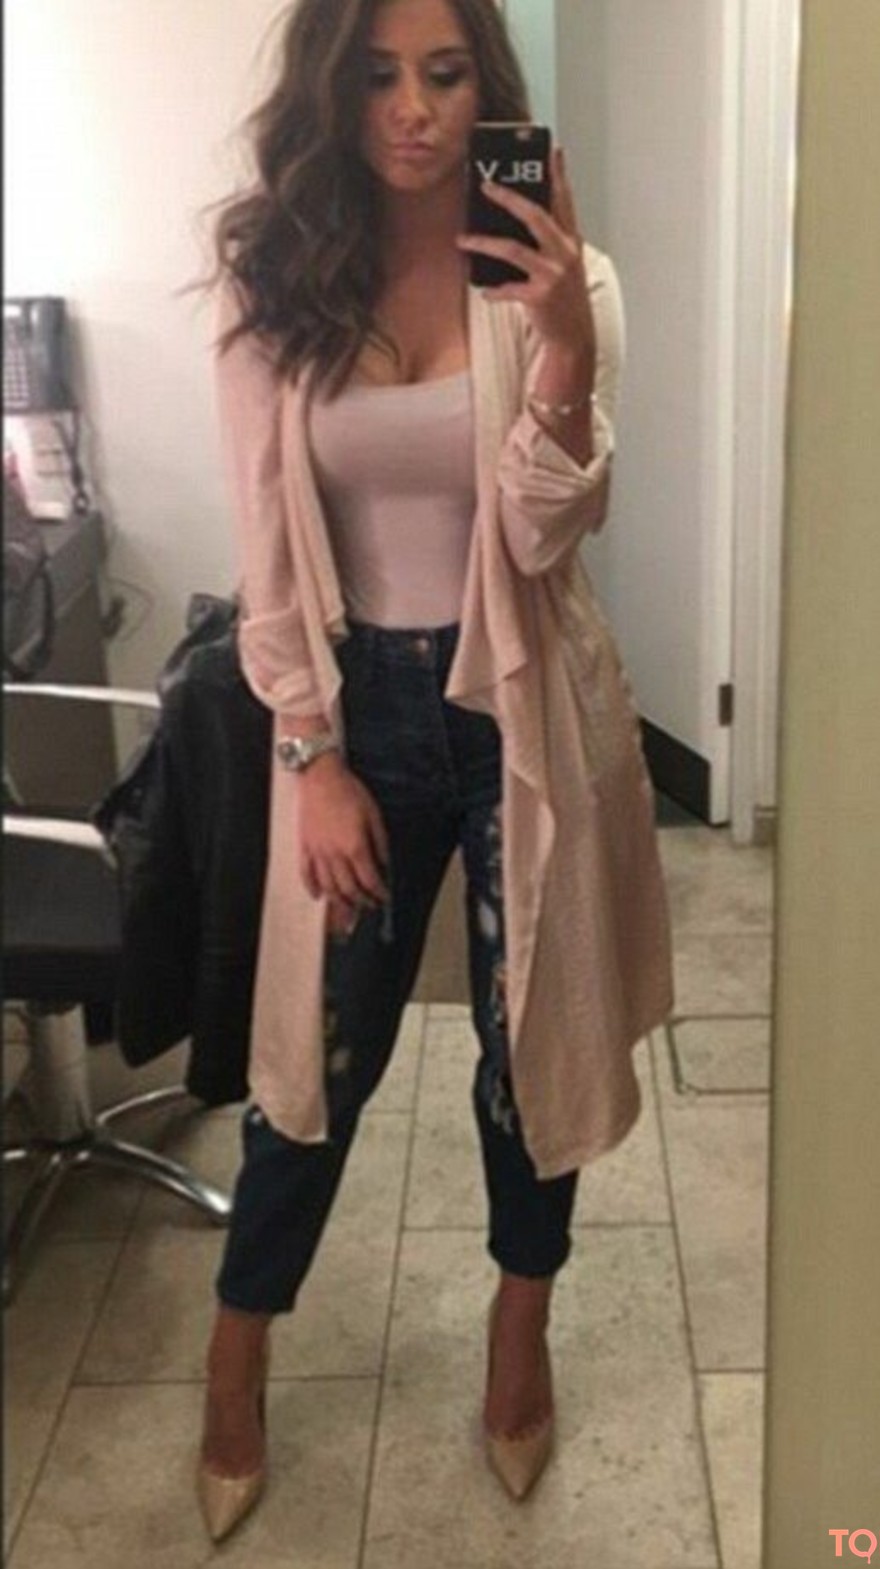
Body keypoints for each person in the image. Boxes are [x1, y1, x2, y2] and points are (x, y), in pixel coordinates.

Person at [193, 0, 673, 1542]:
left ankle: (520, 1335)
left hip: (523, 709)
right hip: (353, 718)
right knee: (316, 1061)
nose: (412, 109)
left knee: (532, 1057)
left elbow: (542, 532)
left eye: (446, 73)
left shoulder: (566, 280)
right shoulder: (276, 280)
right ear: (334, 93)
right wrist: (312, 752)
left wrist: (566, 344)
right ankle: (236, 1351)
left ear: (490, 88)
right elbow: (268, 548)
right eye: (380, 75)